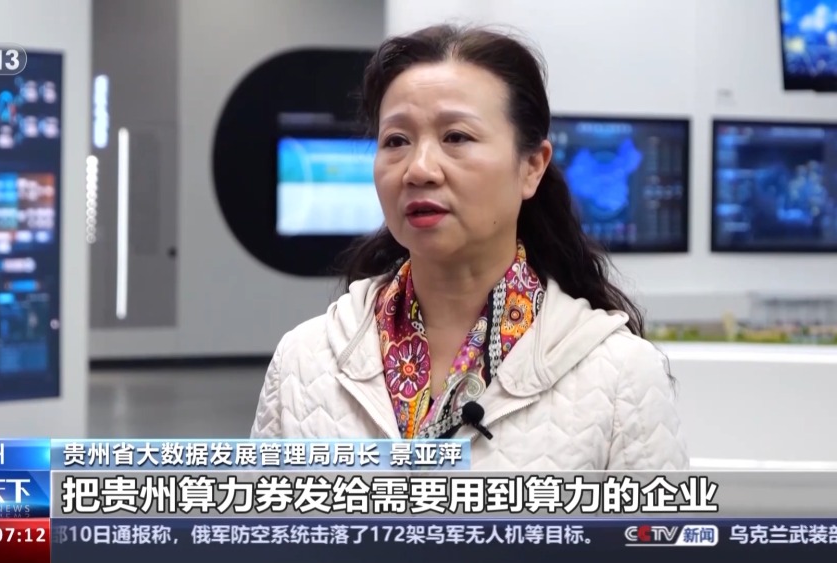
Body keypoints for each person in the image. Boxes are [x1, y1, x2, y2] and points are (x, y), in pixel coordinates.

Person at [250, 24, 688, 470]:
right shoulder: (303, 362)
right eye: (396, 141)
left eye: (456, 137)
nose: (419, 169)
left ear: (532, 167)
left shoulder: (620, 375)